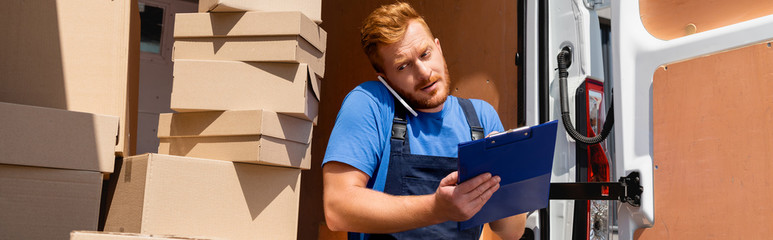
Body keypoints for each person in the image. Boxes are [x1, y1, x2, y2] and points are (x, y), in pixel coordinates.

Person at [322, 2, 526, 239]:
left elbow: (511, 232)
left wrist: (509, 174)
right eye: (403, 66)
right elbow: (337, 209)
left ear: (438, 48)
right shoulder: (371, 103)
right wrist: (436, 208)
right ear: (385, 78)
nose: (424, 73)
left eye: (425, 54)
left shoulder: (481, 118)